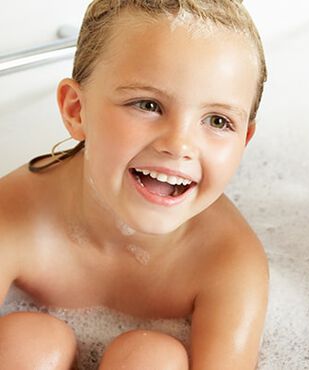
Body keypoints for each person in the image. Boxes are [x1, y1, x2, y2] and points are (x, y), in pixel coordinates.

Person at [0, 0, 268, 368]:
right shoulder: (13, 216)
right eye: (148, 104)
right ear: (76, 110)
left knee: (151, 359)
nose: (179, 144)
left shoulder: (228, 264)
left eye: (218, 121)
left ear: (245, 140)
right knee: (28, 343)